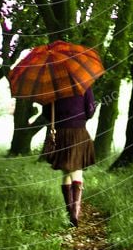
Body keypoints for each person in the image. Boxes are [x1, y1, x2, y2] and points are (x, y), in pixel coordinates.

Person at [41, 87, 97, 227]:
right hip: (79, 132)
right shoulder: (84, 85)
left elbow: (46, 113)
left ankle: (70, 211)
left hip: (61, 133)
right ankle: (74, 213)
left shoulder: (53, 86)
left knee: (66, 171)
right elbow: (90, 110)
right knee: (77, 171)